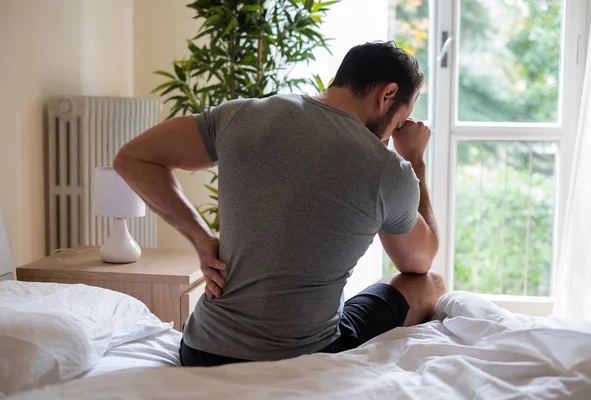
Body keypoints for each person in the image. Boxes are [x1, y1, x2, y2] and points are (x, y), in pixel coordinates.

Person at [114, 41, 445, 367]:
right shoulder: (387, 168)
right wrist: (414, 160)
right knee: (429, 284)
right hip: (307, 355)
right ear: (387, 94)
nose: (391, 135)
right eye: (399, 122)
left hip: (202, 352)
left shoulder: (241, 114)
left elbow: (133, 158)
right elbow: (419, 261)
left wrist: (201, 239)